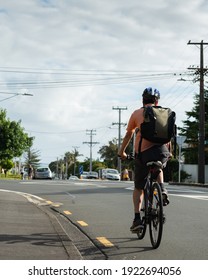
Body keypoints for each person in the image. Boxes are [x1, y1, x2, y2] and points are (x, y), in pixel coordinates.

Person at [118, 87, 171, 232]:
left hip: (143, 154)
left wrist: (121, 151)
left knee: (138, 188)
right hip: (162, 152)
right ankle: (162, 188)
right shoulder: (164, 113)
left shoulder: (137, 113)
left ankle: (137, 219)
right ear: (157, 101)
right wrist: (168, 153)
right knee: (158, 166)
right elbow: (168, 136)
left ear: (143, 99)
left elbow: (129, 134)